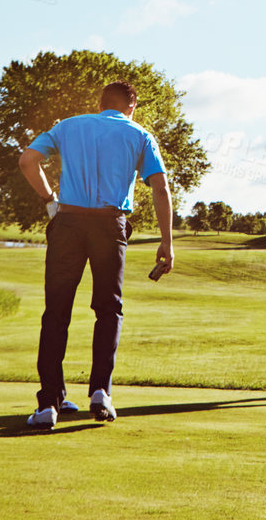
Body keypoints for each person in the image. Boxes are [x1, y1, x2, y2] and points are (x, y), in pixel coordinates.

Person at [17, 81, 173, 430]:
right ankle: (100, 392)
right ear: (132, 105)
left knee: (56, 312)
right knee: (108, 308)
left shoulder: (68, 125)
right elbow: (160, 186)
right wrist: (166, 241)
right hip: (109, 225)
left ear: (100, 103)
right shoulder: (140, 135)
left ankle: (48, 405)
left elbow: (28, 161)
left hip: (67, 222)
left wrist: (49, 201)